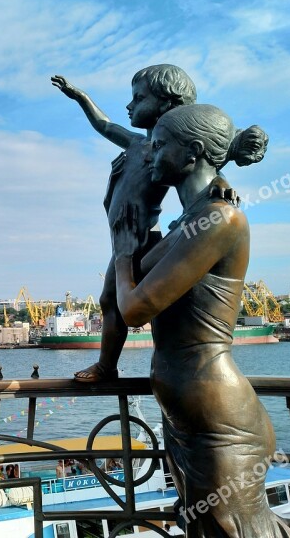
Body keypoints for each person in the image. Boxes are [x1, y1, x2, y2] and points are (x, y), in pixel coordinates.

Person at [111, 104, 289, 537]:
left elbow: (134, 308)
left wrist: (122, 253)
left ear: (191, 152)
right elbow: (119, 290)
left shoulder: (220, 218)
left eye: (159, 145)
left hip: (222, 426)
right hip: (187, 419)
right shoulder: (187, 220)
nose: (149, 153)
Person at [52, 65, 197, 382]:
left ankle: (134, 366)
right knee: (109, 301)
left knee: (149, 306)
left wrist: (220, 188)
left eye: (138, 98)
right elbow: (104, 125)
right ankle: (109, 366)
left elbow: (202, 170)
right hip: (124, 242)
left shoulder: (168, 150)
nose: (130, 106)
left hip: (142, 241)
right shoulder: (136, 144)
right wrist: (81, 97)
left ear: (167, 103)